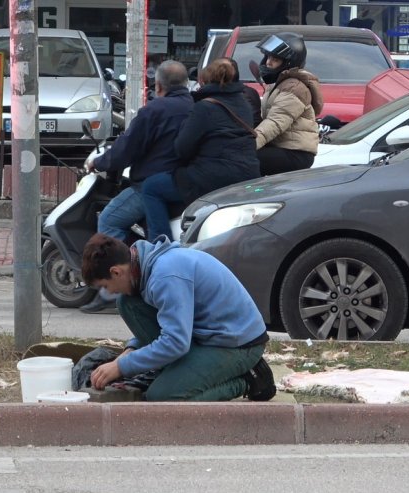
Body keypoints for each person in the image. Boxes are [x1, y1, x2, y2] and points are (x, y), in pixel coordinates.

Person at [81, 233, 276, 402]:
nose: (110, 292)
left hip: (238, 344)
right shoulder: (144, 265)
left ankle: (248, 380)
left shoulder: (165, 276)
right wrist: (131, 350)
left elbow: (176, 342)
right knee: (127, 303)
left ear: (116, 272)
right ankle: (174, 369)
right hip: (204, 336)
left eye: (106, 286)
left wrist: (122, 366)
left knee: (161, 397)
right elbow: (165, 323)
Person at [79, 60, 194, 313]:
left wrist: (98, 162)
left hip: (151, 183)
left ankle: (113, 288)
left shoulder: (154, 110)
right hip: (183, 183)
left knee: (109, 220)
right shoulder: (194, 107)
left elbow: (126, 148)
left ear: (158, 85)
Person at [139, 58, 261, 241]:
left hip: (215, 176)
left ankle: (160, 246)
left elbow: (182, 149)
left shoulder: (204, 107)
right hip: (248, 173)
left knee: (151, 187)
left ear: (204, 81)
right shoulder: (243, 103)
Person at [254, 32, 324, 175]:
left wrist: (249, 144)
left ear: (288, 63)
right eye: (267, 57)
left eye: (275, 59)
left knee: (245, 159)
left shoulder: (293, 87)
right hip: (281, 147)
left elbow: (275, 123)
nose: (268, 62)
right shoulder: (278, 84)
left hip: (295, 153)